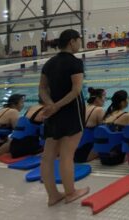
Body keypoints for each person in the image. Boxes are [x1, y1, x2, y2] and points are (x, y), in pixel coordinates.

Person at [38, 29, 88, 206]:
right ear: (72, 42)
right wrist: (57, 106)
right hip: (70, 113)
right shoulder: (75, 63)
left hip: (51, 114)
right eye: (79, 41)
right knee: (67, 155)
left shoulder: (49, 63)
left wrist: (50, 105)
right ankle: (70, 193)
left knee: (48, 156)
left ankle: (53, 195)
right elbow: (76, 90)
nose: (79, 44)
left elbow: (42, 89)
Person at [73, 87, 106, 163]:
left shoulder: (83, 108)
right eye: (104, 97)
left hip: (75, 151)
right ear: (97, 98)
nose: (105, 100)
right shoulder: (99, 110)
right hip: (85, 153)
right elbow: (103, 130)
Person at [98, 90, 129, 165]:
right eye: (128, 98)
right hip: (117, 158)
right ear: (122, 102)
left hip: (103, 158)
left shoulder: (107, 115)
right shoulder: (125, 116)